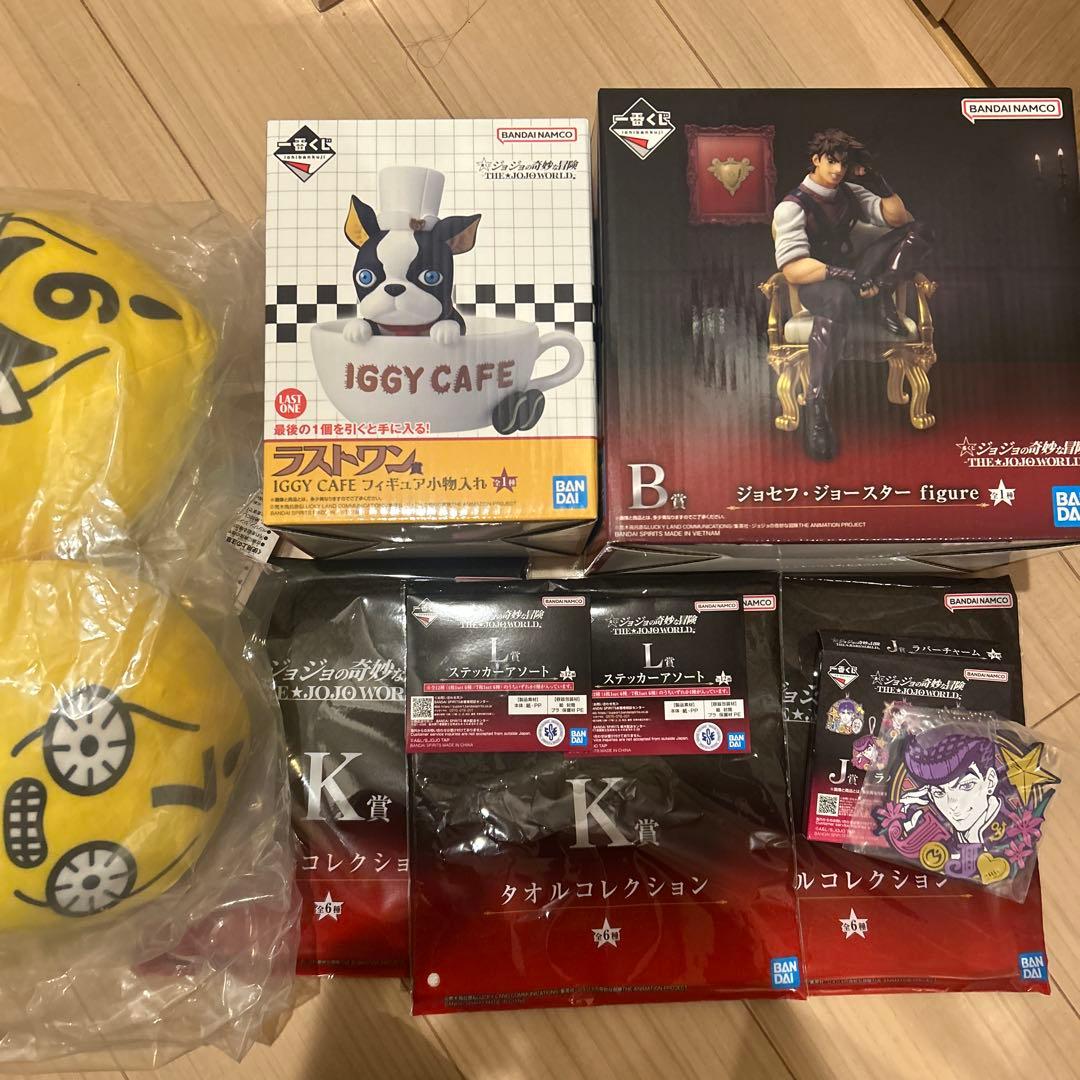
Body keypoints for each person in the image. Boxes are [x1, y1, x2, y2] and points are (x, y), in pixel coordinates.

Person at [772, 129, 934, 460]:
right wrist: (849, 276)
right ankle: (816, 408)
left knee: (919, 230)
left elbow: (900, 220)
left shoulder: (851, 192)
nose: (837, 171)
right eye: (831, 162)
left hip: (860, 274)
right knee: (839, 298)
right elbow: (793, 269)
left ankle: (882, 292)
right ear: (816, 160)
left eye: (843, 165)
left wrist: (880, 183)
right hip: (819, 283)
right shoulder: (792, 207)